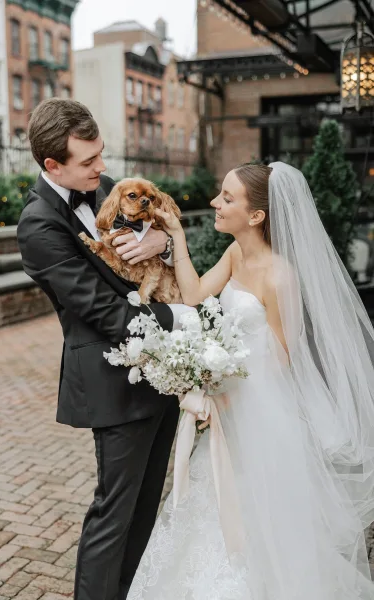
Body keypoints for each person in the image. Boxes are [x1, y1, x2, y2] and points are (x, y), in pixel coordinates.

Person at [128, 162, 374, 599]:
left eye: (226, 197)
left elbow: (283, 356)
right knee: (214, 502)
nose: (215, 203)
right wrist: (178, 239)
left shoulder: (280, 276)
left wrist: (219, 375)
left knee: (262, 513)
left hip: (261, 413)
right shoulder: (236, 254)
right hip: (226, 404)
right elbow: (195, 296)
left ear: (257, 215)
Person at [17, 98, 195, 600]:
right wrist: (182, 320)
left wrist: (160, 242)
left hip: (161, 370)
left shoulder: (105, 189)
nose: (102, 167)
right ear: (53, 165)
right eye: (89, 160)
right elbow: (103, 312)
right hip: (112, 377)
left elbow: (163, 233)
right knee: (113, 512)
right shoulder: (39, 226)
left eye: (101, 155)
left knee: (145, 505)